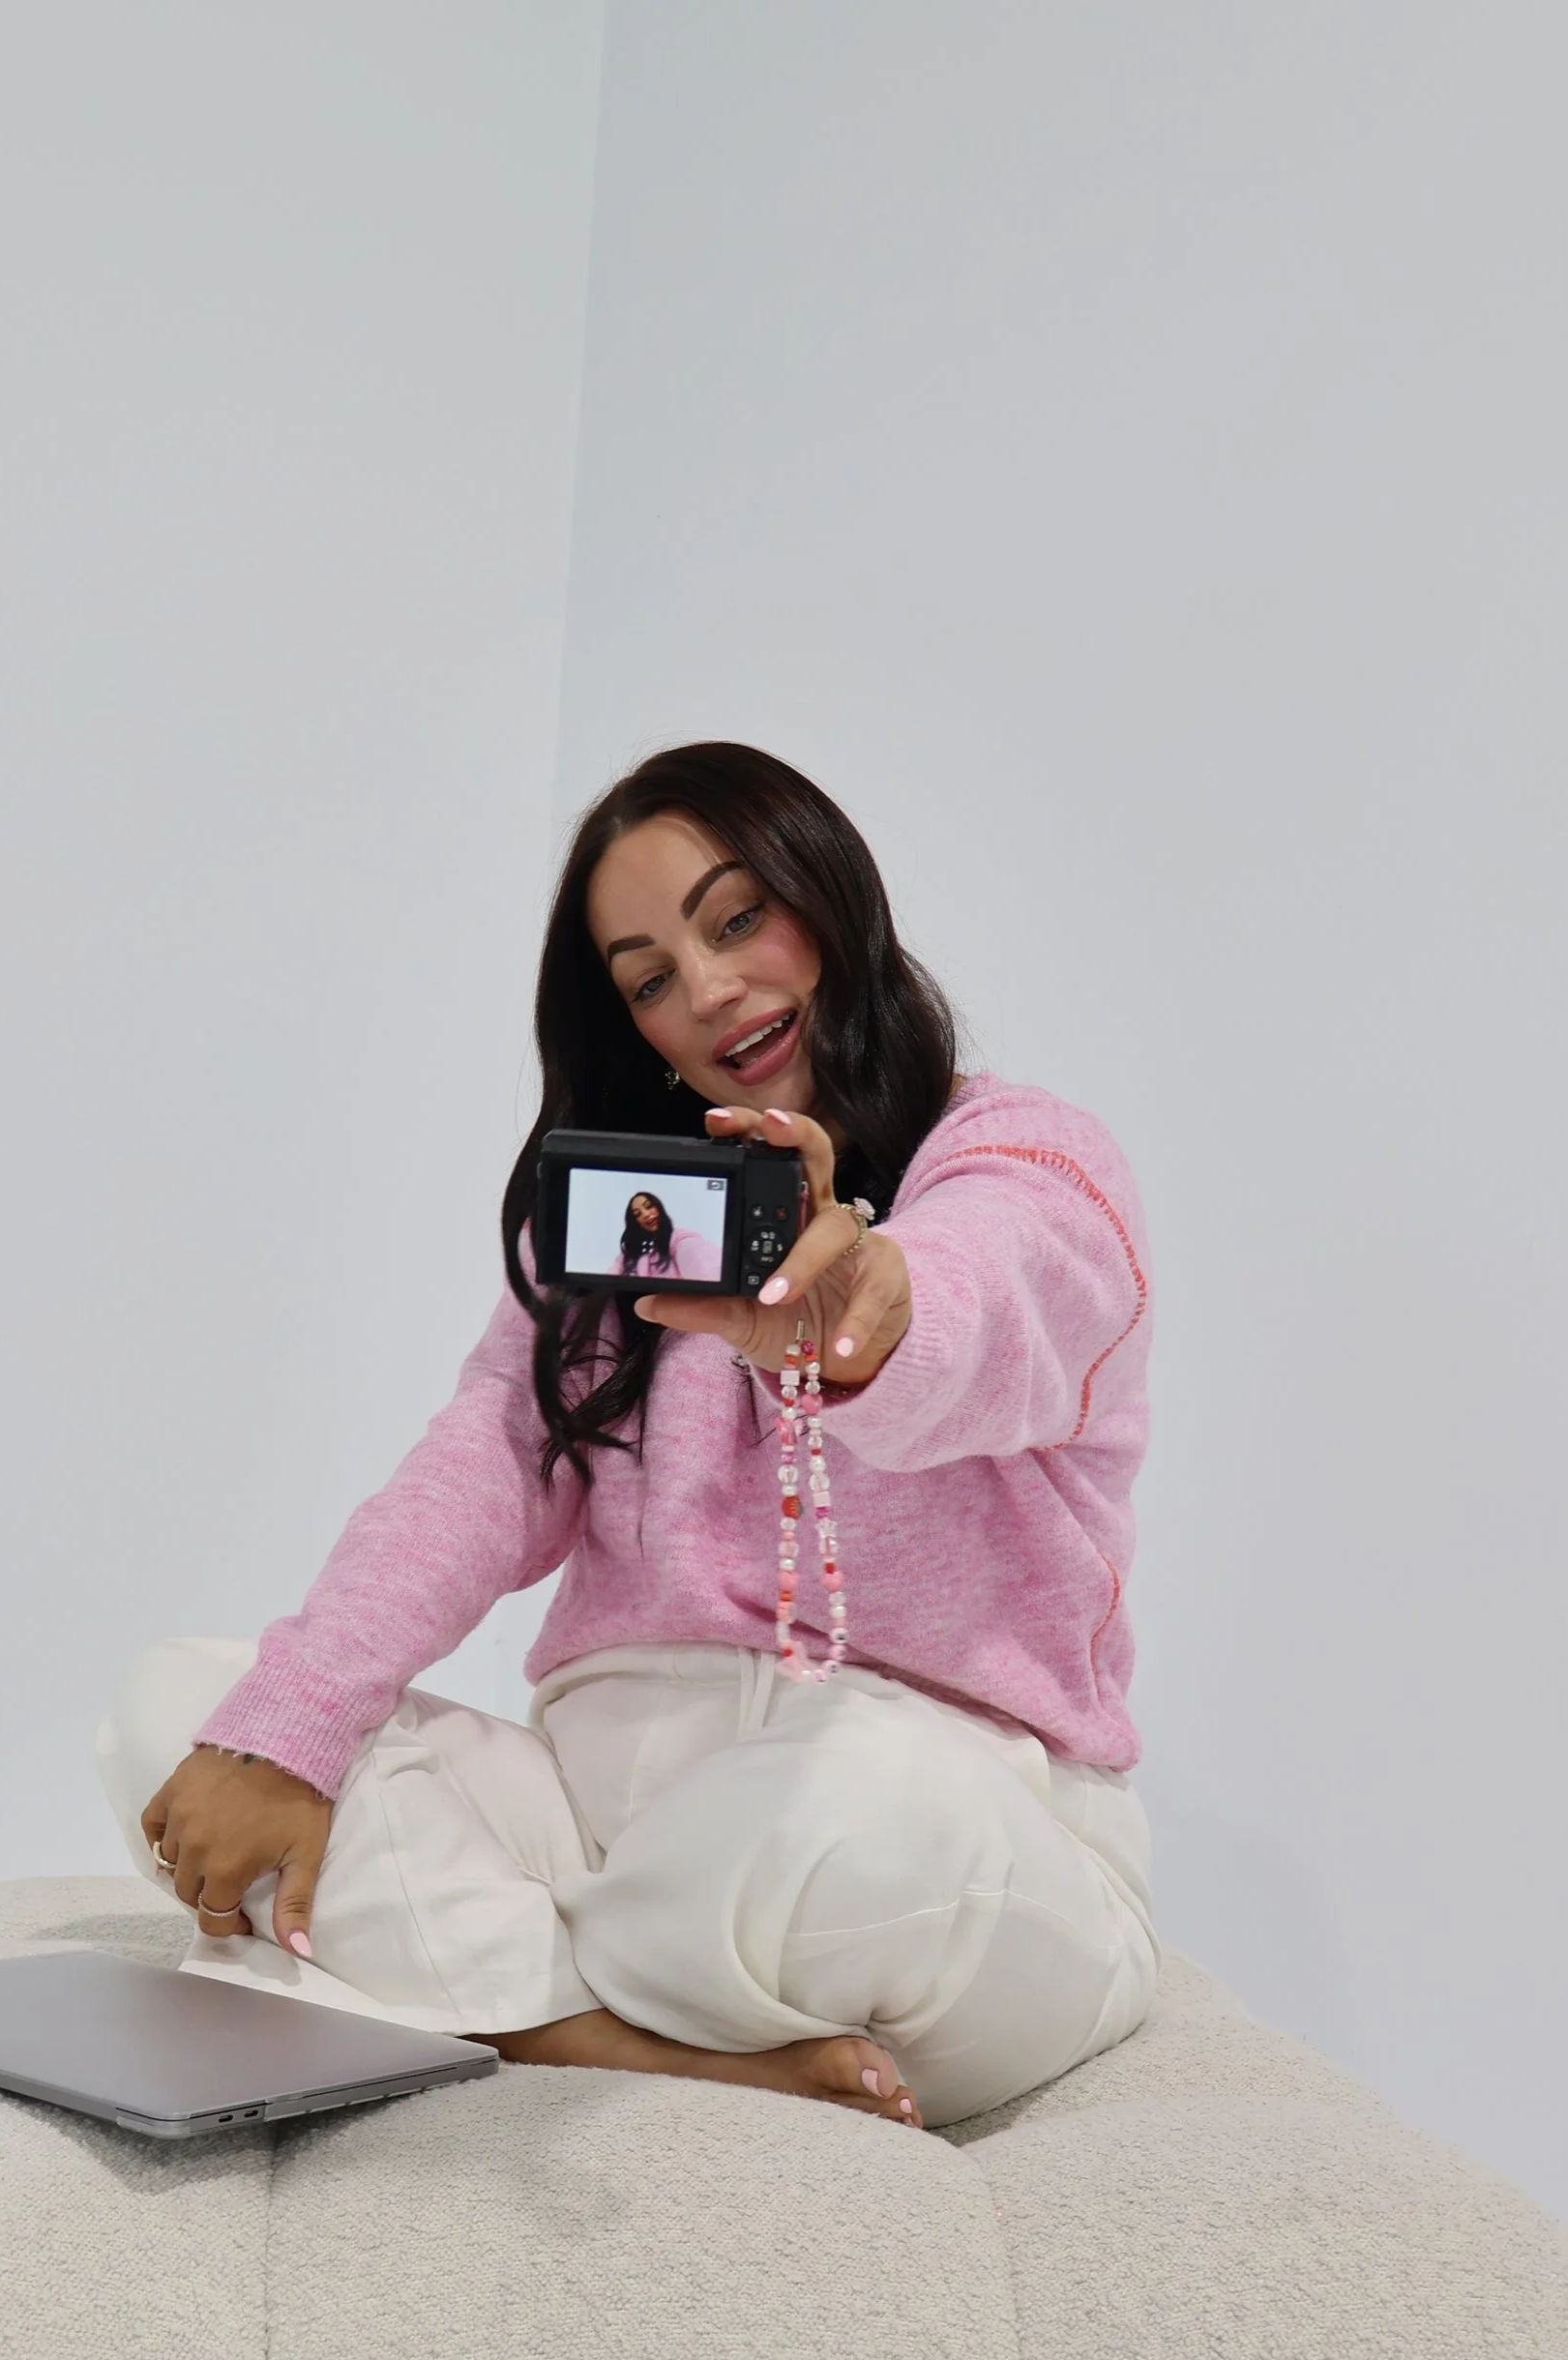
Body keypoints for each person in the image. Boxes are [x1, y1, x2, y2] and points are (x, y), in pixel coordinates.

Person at [101, 742, 1157, 2132]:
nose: (707, 991)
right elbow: (485, 1467)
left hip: (932, 1844)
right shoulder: (627, 1231)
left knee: (859, 1808)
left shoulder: (1026, 1160)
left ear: (833, 901)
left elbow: (984, 1294)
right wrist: (291, 1731)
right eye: (649, 979)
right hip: (613, 1827)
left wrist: (858, 1314)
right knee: (190, 1707)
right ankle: (628, 2040)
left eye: (738, 920)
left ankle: (486, 1979)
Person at [609, 1190, 721, 1283]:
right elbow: (609, 1280)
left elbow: (701, 1261)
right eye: (638, 1214)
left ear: (659, 1207)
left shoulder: (679, 1239)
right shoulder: (628, 1255)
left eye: (649, 1206)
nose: (646, 1215)